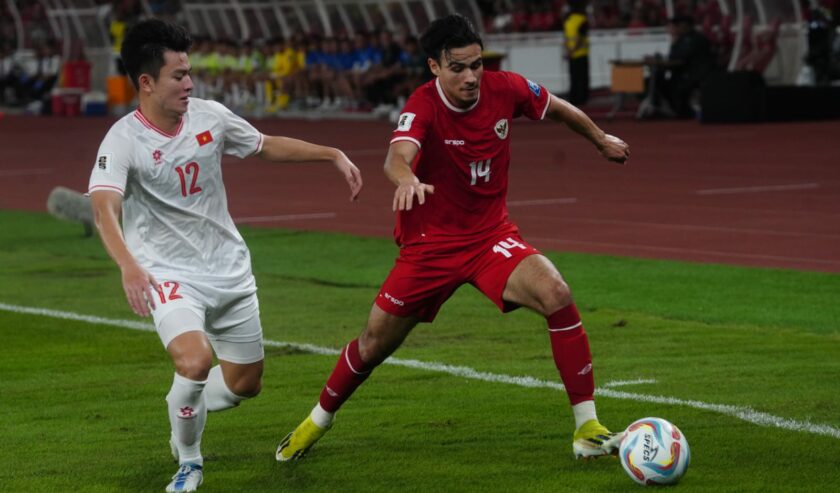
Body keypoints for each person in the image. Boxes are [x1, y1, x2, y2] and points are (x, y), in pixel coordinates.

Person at [276, 14, 629, 464]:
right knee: (373, 344)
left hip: (490, 237)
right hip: (430, 247)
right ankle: (316, 421)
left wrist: (600, 140)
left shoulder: (507, 87)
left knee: (557, 293)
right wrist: (406, 180)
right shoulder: (422, 105)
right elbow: (396, 156)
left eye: (476, 64)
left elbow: (558, 107)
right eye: (458, 67)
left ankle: (587, 428)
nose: (471, 77)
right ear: (434, 67)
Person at [87, 19, 362, 493]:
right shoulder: (123, 139)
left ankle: (182, 404)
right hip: (168, 274)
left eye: (189, 72)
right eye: (178, 76)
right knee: (194, 362)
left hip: (229, 270)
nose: (189, 83)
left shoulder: (210, 117)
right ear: (146, 82)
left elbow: (265, 146)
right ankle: (189, 461)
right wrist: (130, 265)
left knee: (245, 383)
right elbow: (103, 210)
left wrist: (331, 153)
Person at [564, 0, 590, 106]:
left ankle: (573, 99)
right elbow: (580, 38)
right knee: (583, 78)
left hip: (571, 55)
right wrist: (573, 50)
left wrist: (569, 51)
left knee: (573, 78)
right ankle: (583, 100)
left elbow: (566, 39)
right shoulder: (583, 20)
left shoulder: (568, 21)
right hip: (581, 54)